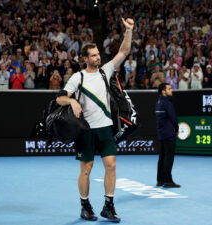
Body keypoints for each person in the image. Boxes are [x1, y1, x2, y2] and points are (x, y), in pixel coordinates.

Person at [56, 18, 134, 222]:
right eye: (93, 55)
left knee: (112, 165)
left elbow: (123, 52)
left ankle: (109, 206)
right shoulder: (77, 77)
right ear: (85, 58)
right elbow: (60, 97)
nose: (97, 57)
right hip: (86, 131)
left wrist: (129, 31)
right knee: (86, 169)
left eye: (98, 54)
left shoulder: (105, 71)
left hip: (106, 128)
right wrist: (71, 102)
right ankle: (85, 205)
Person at [155, 83, 180, 188]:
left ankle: (160, 180)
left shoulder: (158, 102)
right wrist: (177, 129)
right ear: (163, 91)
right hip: (169, 134)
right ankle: (168, 181)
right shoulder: (167, 103)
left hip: (161, 133)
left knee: (162, 157)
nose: (171, 91)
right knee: (168, 158)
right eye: (169, 89)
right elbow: (173, 118)